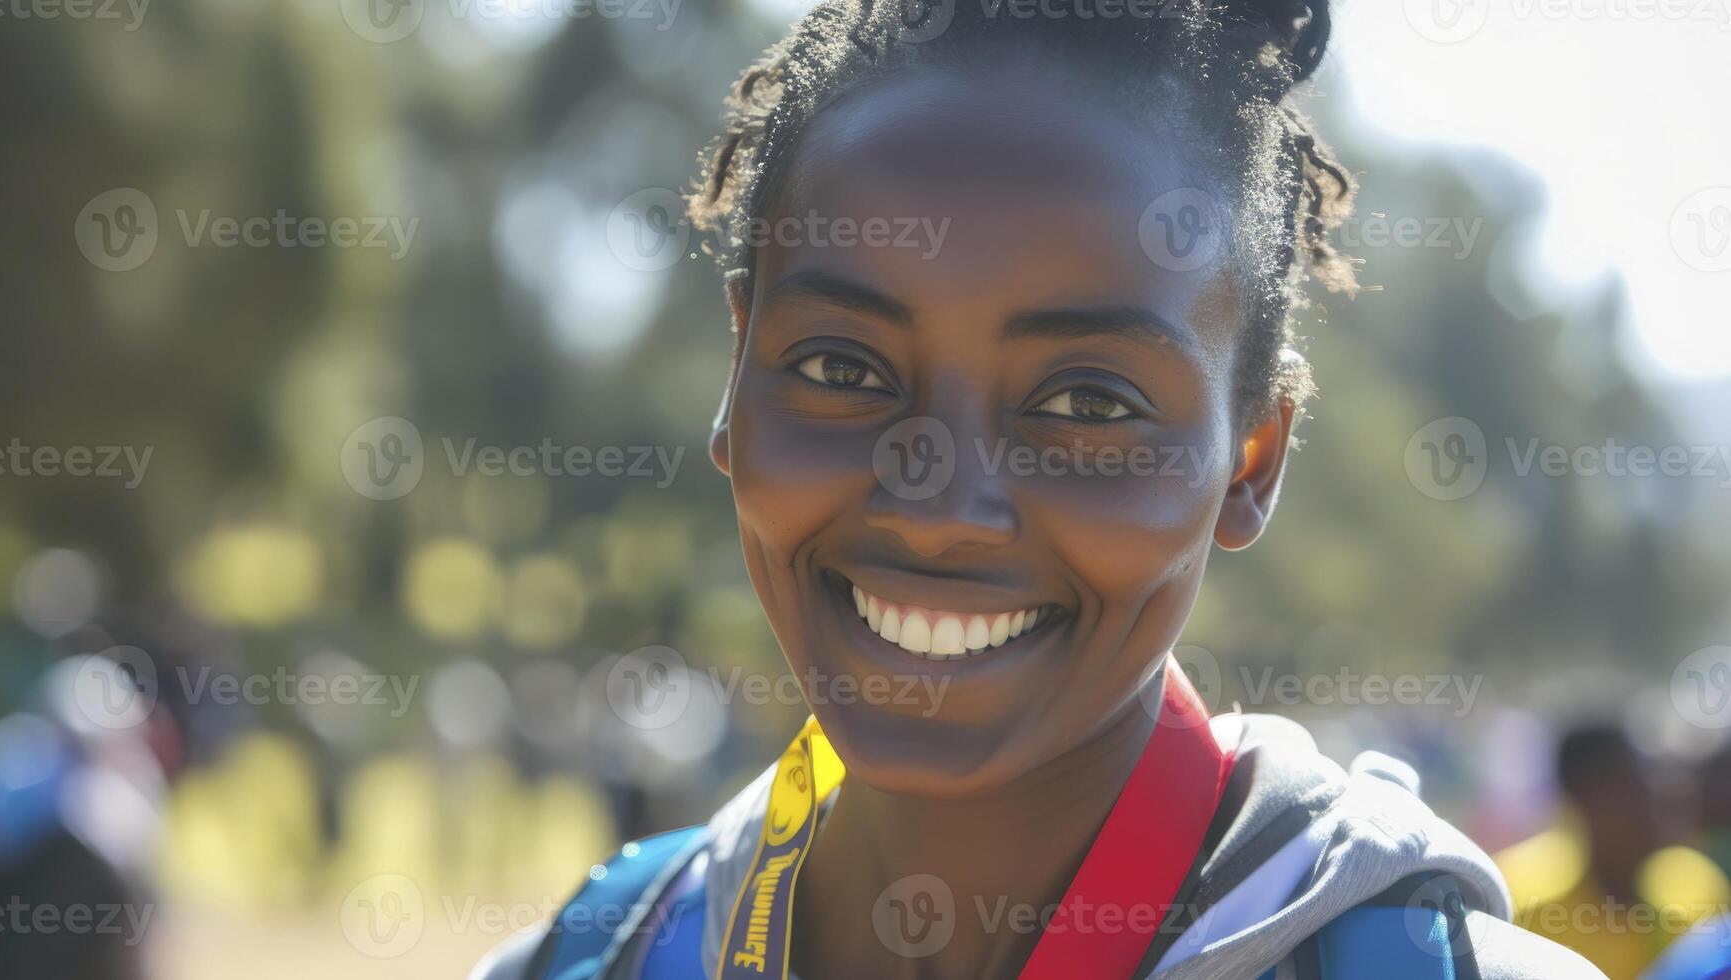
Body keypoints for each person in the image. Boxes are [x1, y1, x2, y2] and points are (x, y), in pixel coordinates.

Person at [476, 0, 1600, 975]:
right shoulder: (601, 954)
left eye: (1090, 405)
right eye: (841, 368)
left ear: (1252, 459)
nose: (936, 501)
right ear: (737, 374)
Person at [1497, 724, 1729, 979]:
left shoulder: (1698, 885)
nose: (1654, 799)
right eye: (1632, 787)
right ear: (1584, 797)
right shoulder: (1520, 901)